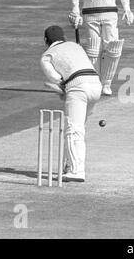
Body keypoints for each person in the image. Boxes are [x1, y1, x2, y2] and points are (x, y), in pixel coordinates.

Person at [68, 0, 134, 96]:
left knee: (112, 48)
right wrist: (75, 11)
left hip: (110, 13)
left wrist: (127, 9)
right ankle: (95, 82)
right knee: (93, 50)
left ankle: (107, 83)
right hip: (90, 14)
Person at [40, 25, 102, 182]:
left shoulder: (47, 56)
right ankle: (69, 166)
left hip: (78, 88)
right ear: (63, 37)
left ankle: (76, 171)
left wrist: (65, 90)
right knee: (79, 128)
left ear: (46, 40)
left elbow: (57, 80)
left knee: (74, 130)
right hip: (96, 85)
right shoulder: (76, 46)